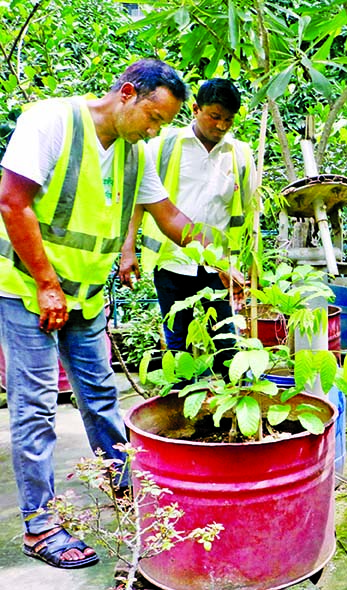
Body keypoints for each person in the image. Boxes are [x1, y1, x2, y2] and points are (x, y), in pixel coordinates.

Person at [0, 59, 235, 570]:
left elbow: (170, 216)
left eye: (163, 124)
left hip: (84, 295)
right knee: (37, 407)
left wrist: (224, 262)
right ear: (127, 94)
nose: (155, 130)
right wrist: (45, 285)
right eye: (153, 117)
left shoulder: (136, 152)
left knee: (102, 394)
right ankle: (40, 526)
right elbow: (12, 202)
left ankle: (126, 488)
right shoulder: (50, 122)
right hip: (26, 288)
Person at [118, 78, 254, 372]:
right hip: (172, 262)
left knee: (227, 342)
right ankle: (180, 407)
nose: (220, 126)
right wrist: (128, 250)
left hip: (219, 268)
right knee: (177, 341)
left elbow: (245, 214)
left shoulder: (240, 155)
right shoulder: (163, 146)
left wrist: (243, 264)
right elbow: (138, 200)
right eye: (214, 116)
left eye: (228, 120)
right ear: (195, 109)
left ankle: (227, 407)